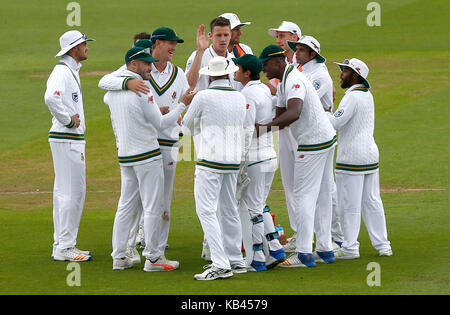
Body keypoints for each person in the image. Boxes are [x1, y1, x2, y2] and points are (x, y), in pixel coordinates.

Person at [99, 28, 189, 264]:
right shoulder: (142, 90)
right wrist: (181, 107)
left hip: (125, 155)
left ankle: (119, 257)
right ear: (134, 64)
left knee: (125, 206)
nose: (150, 67)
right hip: (148, 155)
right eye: (146, 64)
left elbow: (113, 97)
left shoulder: (114, 91)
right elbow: (160, 124)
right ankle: (153, 258)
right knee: (153, 206)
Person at [257, 45, 337, 268]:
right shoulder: (285, 80)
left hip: (313, 142)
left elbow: (294, 112)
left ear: (277, 61)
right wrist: (265, 125)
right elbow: (280, 113)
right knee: (321, 193)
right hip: (325, 138)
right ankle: (325, 248)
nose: (264, 69)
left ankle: (304, 252)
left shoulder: (293, 79)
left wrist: (263, 129)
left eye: (265, 64)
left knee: (303, 196)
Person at [181, 56, 247, 280]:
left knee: (206, 211)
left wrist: (201, 124)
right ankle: (235, 259)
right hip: (233, 161)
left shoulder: (204, 96)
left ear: (209, 75)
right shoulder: (239, 97)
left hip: (210, 161)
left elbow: (186, 127)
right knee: (229, 209)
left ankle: (220, 264)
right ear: (229, 73)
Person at [328, 58, 392, 259]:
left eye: (345, 71)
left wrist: (321, 112)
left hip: (352, 157)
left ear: (355, 75)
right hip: (370, 155)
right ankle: (383, 246)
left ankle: (350, 248)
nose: (341, 74)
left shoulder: (352, 98)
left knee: (350, 204)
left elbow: (336, 122)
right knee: (372, 201)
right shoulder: (367, 95)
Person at [287, 35, 344, 249]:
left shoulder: (319, 75)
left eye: (302, 50)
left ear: (313, 54)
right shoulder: (299, 69)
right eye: (297, 48)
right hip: (306, 132)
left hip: (319, 134)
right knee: (315, 188)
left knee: (326, 187)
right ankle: (316, 237)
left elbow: (298, 101)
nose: (297, 52)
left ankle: (336, 237)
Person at [232, 54, 287, 271]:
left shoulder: (247, 95)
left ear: (247, 73)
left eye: (238, 69)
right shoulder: (264, 89)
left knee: (253, 207)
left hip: (255, 157)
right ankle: (274, 248)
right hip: (270, 155)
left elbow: (247, 131)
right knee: (260, 203)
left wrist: (240, 160)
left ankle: (257, 257)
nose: (235, 72)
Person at [45, 30, 95, 262]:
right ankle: (65, 246)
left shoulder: (69, 71)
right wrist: (68, 120)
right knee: (73, 193)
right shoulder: (62, 71)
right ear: (74, 48)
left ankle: (61, 244)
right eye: (84, 44)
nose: (87, 47)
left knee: (64, 192)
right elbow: (51, 98)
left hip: (67, 139)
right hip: (67, 138)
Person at [267, 22, 302, 252]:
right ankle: (300, 233)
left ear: (296, 37)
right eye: (278, 37)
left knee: (312, 187)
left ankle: (335, 236)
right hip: (284, 132)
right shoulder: (282, 66)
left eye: (283, 36)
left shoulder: (303, 66)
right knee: (290, 185)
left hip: (303, 134)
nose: (279, 40)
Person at [186, 16, 241, 91]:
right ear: (211, 36)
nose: (222, 39)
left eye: (226, 35)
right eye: (218, 35)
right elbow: (188, 84)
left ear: (230, 35)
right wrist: (200, 51)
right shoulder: (199, 56)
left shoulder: (232, 59)